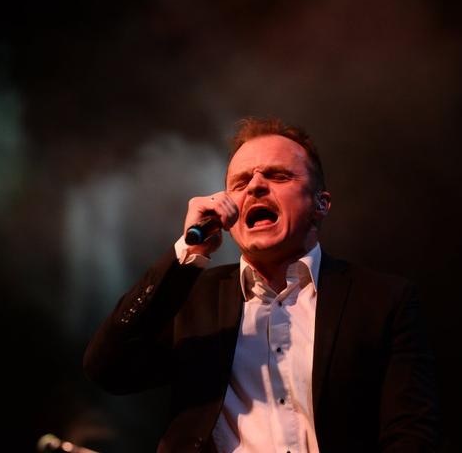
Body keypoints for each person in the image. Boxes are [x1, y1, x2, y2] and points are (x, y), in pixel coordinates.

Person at [84, 117, 440, 452]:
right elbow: (108, 368)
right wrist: (188, 252)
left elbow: (410, 434)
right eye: (240, 184)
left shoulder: (383, 300)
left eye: (278, 176)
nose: (255, 186)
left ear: (321, 203)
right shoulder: (193, 298)